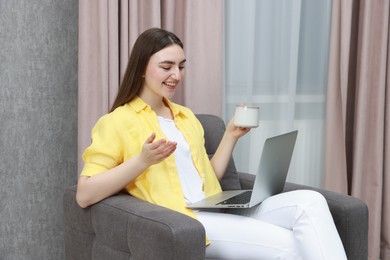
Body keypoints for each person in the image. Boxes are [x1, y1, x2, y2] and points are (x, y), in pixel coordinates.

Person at [76, 27, 347, 259]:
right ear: (142, 69)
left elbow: (207, 178)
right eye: (166, 66)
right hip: (189, 221)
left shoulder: (185, 117)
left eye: (181, 66)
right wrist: (142, 161)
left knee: (310, 202)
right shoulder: (116, 122)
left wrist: (230, 136)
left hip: (212, 206)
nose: (177, 75)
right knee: (292, 247)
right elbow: (84, 194)